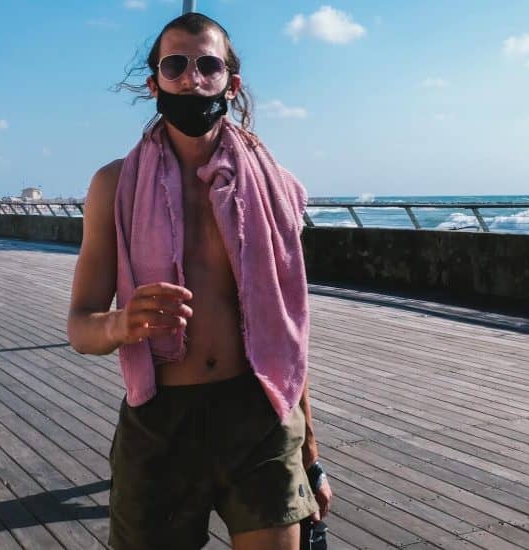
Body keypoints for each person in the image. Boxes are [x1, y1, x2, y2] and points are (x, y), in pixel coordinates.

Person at [67, 13, 333, 550]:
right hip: (161, 419)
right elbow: (80, 326)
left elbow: (286, 328)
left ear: (231, 84)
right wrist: (121, 324)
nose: (192, 78)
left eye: (208, 65)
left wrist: (310, 451)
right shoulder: (114, 186)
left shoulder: (274, 188)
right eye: (175, 65)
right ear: (154, 84)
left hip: (258, 415)